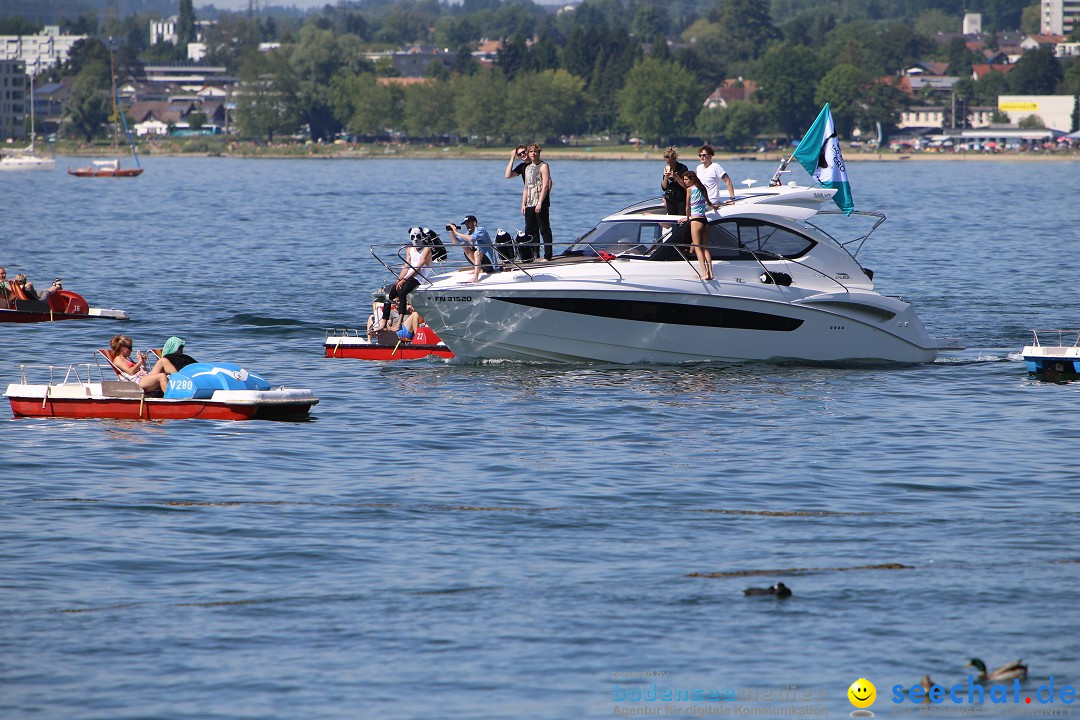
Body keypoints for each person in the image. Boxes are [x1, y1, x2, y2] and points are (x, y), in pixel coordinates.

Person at [382, 229, 433, 327]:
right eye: (413, 237)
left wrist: (404, 280)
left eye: (418, 236)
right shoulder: (409, 249)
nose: (415, 239)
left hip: (419, 277)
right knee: (390, 293)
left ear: (422, 236)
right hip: (409, 275)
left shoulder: (426, 249)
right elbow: (406, 266)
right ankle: (384, 322)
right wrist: (399, 280)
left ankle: (400, 322)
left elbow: (418, 267)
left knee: (402, 292)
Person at [680, 170, 720, 281]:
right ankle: (711, 273)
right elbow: (709, 203)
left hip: (696, 220)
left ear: (692, 179)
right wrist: (716, 207)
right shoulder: (702, 189)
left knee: (697, 248)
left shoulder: (689, 190)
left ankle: (704, 273)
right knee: (705, 248)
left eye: (686, 179)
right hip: (704, 221)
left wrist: (687, 218)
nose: (684, 182)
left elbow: (687, 207)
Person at [521, 143, 553, 261]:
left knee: (544, 228)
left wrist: (540, 202)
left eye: (535, 151)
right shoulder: (528, 168)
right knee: (530, 230)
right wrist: (523, 204)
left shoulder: (543, 166)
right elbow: (525, 187)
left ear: (539, 153)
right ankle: (534, 255)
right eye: (531, 152)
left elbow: (546, 185)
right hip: (529, 202)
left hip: (540, 202)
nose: (533, 154)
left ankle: (548, 255)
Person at [448, 214, 495, 283]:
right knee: (464, 245)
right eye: (466, 224)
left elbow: (471, 239)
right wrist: (452, 232)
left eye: (468, 223)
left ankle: (475, 277)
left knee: (477, 252)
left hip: (489, 264)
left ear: (474, 223)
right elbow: (455, 242)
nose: (467, 226)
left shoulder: (481, 230)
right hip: (480, 263)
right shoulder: (468, 233)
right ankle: (478, 269)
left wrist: (456, 232)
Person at [661, 147, 689, 216]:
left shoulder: (683, 168)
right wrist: (666, 178)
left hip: (681, 199)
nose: (669, 164)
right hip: (670, 199)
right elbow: (664, 187)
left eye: (671, 162)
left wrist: (675, 176)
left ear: (675, 159)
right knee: (673, 221)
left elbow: (685, 185)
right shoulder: (666, 168)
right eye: (667, 162)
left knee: (681, 220)